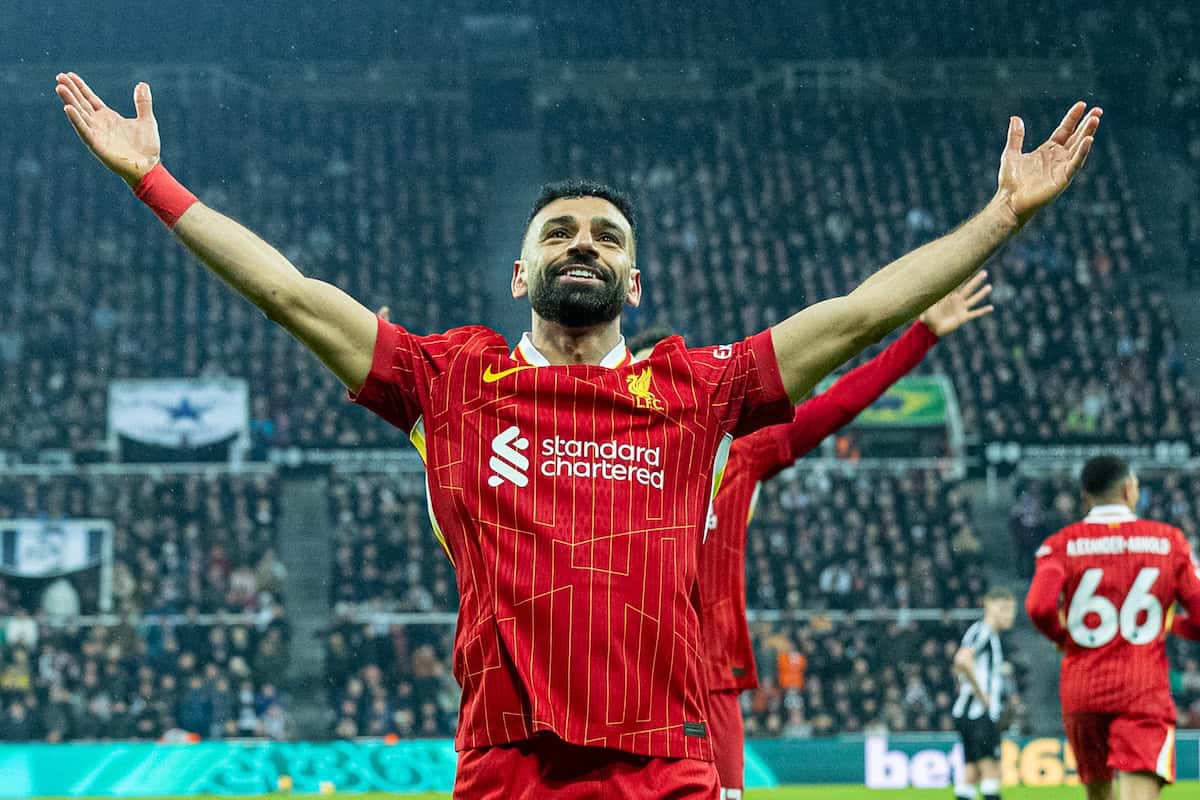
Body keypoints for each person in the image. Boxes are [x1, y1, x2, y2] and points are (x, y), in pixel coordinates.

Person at [55, 71, 1099, 798]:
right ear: (522, 271)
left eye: (605, 235)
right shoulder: (449, 378)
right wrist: (153, 180)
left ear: (636, 279)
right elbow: (288, 292)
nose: (582, 244)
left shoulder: (698, 386)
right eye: (558, 231)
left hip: (669, 763)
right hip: (510, 767)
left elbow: (861, 311)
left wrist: (1001, 217)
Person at [627, 272, 995, 799]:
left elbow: (837, 405)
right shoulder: (597, 456)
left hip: (707, 676)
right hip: (623, 676)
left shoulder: (738, 454)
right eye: (641, 378)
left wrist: (921, 336)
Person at [1026, 456, 1200, 800]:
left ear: (1085, 496)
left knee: (1099, 795)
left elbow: (1038, 606)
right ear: (1128, 488)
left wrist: (1063, 637)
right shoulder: (1168, 541)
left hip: (1083, 687)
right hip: (1142, 688)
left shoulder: (1061, 544)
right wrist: (1173, 624)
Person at [950, 587, 1016, 800]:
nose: (1009, 615)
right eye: (1004, 609)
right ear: (989, 606)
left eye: (1011, 610)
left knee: (971, 773)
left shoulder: (987, 635)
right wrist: (983, 694)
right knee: (992, 771)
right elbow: (961, 659)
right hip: (978, 714)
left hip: (968, 712)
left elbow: (960, 667)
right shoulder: (984, 631)